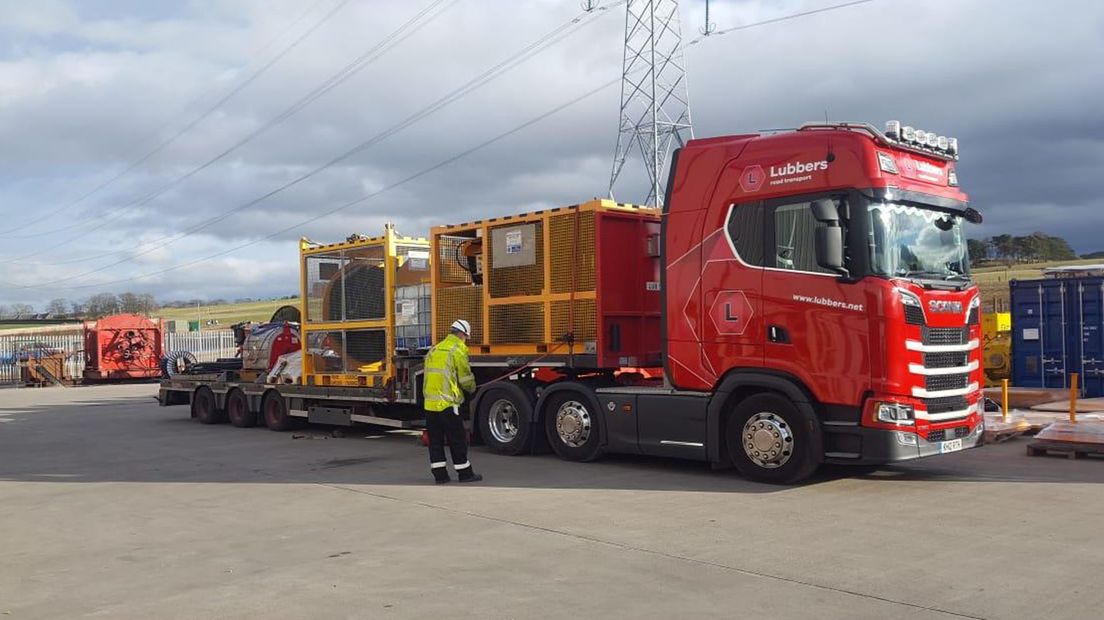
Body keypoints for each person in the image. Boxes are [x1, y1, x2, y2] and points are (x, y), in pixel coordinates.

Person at [422, 319, 481, 484]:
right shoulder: (457, 350)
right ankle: (465, 473)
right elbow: (465, 378)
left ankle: (440, 476)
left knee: (435, 441)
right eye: (466, 337)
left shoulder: (434, 349)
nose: (465, 340)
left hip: (430, 405)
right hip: (448, 405)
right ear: (462, 334)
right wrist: (472, 388)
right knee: (457, 440)